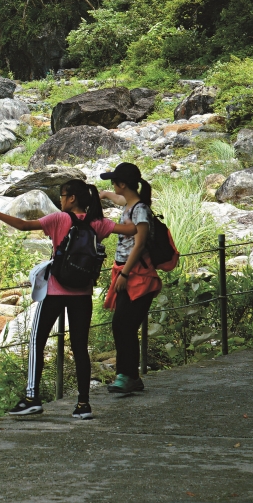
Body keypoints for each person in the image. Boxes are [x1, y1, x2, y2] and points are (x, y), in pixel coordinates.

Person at [0, 180, 114, 420]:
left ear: (71, 199)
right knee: (80, 348)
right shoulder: (98, 224)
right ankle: (83, 405)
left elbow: (23, 225)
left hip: (56, 292)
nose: (60, 200)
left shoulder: (59, 219)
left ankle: (32, 398)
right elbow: (132, 230)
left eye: (62, 195)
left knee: (37, 341)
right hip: (83, 294)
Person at [99, 162, 161, 396]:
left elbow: (140, 242)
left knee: (123, 325)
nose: (112, 185)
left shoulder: (140, 209)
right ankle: (130, 377)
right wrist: (105, 194)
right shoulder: (131, 204)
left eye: (113, 183)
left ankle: (127, 376)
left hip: (137, 275)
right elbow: (120, 200)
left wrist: (124, 274)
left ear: (122, 184)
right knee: (123, 325)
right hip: (129, 272)